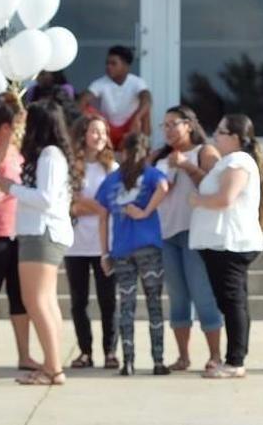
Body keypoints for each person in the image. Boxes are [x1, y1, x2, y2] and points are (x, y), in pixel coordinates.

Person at [189, 113, 263, 379]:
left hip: (229, 244)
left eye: (221, 132)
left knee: (232, 302)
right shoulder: (232, 161)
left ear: (235, 138)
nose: (215, 136)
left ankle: (235, 361)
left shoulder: (238, 161)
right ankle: (234, 357)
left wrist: (197, 200)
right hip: (221, 244)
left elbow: (225, 198)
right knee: (232, 302)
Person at [5, 99, 75, 387]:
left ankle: (53, 369)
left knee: (37, 301)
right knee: (45, 301)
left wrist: (10, 187)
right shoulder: (51, 155)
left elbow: (45, 199)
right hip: (41, 232)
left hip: (42, 233)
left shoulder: (49, 155)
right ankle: (52, 364)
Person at [151, 105, 223, 373]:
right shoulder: (159, 156)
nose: (168, 130)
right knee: (178, 298)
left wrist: (187, 167)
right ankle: (183, 357)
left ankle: (215, 355)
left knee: (203, 294)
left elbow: (216, 185)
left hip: (196, 235)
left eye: (173, 124)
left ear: (189, 125)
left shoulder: (204, 152)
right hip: (167, 234)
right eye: (164, 125)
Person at [96, 132, 170, 376]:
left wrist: (104, 252)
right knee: (154, 303)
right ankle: (158, 361)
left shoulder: (112, 180)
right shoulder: (150, 174)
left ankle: (128, 361)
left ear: (123, 152)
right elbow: (164, 186)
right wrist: (146, 210)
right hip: (149, 247)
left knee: (125, 305)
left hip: (122, 250)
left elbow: (103, 217)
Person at [0, 95, 38, 373]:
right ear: (5, 127)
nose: (22, 129)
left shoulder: (19, 151)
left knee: (19, 297)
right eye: (17, 124)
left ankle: (24, 355)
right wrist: (2, 140)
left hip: (20, 233)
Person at [64, 114, 118, 370]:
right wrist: (93, 207)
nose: (100, 137)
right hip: (76, 244)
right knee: (79, 301)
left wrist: (85, 205)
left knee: (108, 300)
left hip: (105, 244)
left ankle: (110, 351)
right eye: (95, 131)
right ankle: (85, 351)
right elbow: (69, 203)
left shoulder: (113, 168)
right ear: (83, 134)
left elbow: (113, 205)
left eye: (103, 132)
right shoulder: (72, 166)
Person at [79, 45, 152, 149]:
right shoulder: (101, 83)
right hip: (107, 128)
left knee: (146, 109)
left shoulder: (137, 82)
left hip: (130, 128)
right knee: (87, 110)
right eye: (107, 63)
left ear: (126, 66)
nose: (109, 67)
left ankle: (144, 147)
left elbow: (147, 99)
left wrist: (137, 117)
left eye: (113, 63)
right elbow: (82, 101)